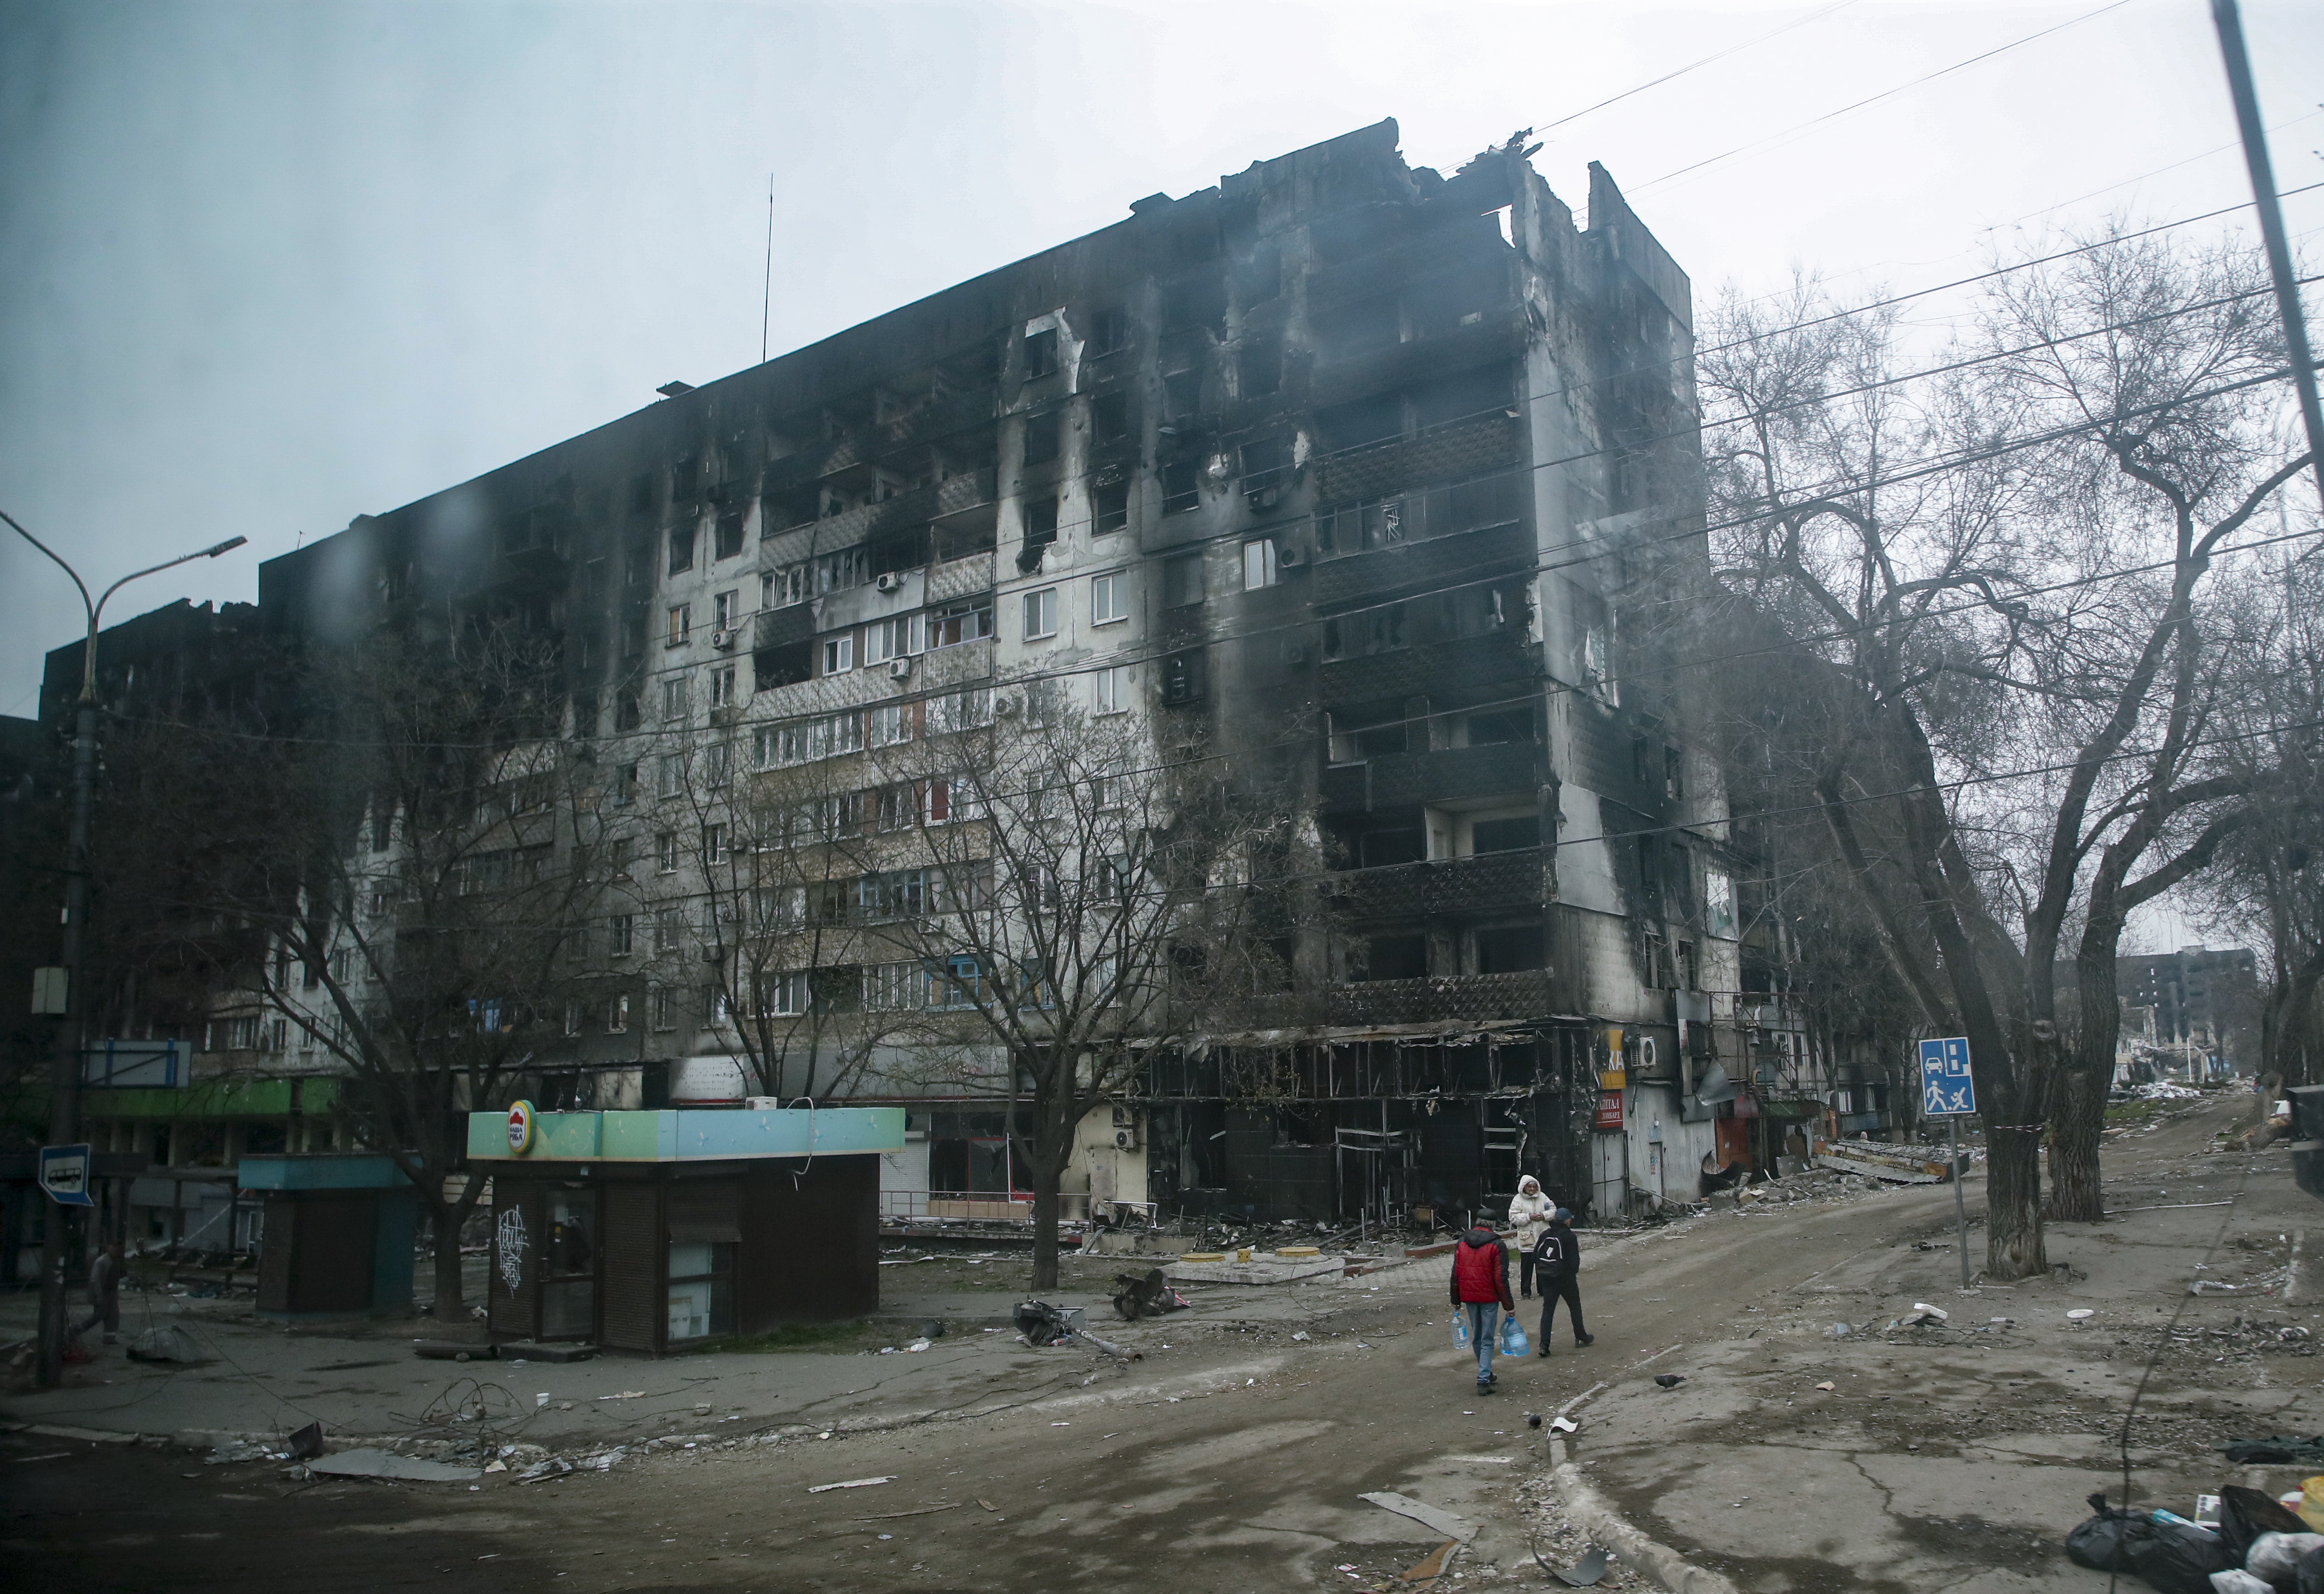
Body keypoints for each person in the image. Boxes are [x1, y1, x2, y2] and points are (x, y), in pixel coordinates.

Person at [1450, 1219, 1515, 1395]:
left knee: (1478, 1336)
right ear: (1493, 1225)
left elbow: (1456, 1273)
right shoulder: (1496, 1245)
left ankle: (1485, 1371)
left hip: (1469, 1296)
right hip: (1489, 1298)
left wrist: (1455, 1300)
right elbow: (1501, 1277)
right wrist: (1509, 1305)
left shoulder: (1462, 1242)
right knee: (1487, 1338)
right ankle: (1483, 1379)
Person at [1533, 1209, 1593, 1355]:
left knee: (1548, 1311)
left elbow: (1536, 1254)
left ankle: (1544, 1345)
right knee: (1574, 1307)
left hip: (1547, 1277)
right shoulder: (1569, 1236)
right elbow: (1574, 1262)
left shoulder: (1546, 1234)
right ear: (1567, 1221)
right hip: (1566, 1278)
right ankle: (1581, 1336)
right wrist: (1571, 1274)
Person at [1507, 1176, 1553, 1298]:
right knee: (1527, 1268)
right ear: (1524, 1187)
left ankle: (1543, 1290)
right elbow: (1513, 1217)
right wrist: (1529, 1217)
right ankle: (1526, 1291)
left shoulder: (1543, 1197)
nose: (1532, 1189)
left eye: (1534, 1187)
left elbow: (1553, 1211)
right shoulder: (1518, 1200)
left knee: (1543, 1266)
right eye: (1530, 1187)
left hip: (1543, 1237)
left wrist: (1543, 1216)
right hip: (1527, 1238)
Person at [74, 1240, 125, 1347]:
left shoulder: (116, 1261)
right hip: (102, 1292)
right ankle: (77, 1329)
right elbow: (95, 1279)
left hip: (111, 1293)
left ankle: (109, 1338)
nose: (115, 1250)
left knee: (114, 1316)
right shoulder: (101, 1262)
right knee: (99, 1315)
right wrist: (99, 1295)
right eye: (113, 1247)